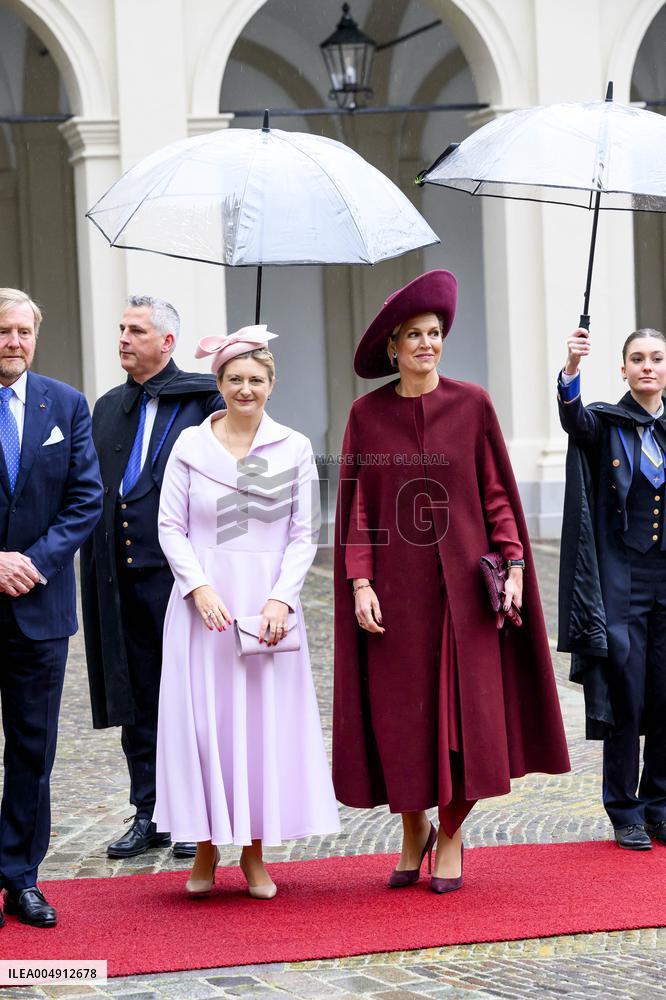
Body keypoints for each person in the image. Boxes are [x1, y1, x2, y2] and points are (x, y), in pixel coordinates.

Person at [333, 270, 570, 893]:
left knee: (472, 722)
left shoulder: (472, 404)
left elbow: (496, 493)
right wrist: (361, 583)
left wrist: (515, 563)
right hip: (396, 597)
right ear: (393, 346)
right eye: (413, 335)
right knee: (402, 720)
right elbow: (356, 508)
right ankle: (414, 829)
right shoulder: (366, 415)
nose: (426, 345)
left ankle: (454, 832)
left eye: (434, 334)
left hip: (467, 593)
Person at [153, 325, 339, 899]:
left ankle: (255, 853)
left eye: (256, 379)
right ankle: (205, 849)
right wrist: (198, 588)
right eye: (234, 379)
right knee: (205, 726)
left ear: (271, 384)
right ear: (219, 383)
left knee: (259, 729)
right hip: (201, 607)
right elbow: (170, 527)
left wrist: (281, 598)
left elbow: (304, 533)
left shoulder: (293, 447)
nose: (245, 388)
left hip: (266, 607)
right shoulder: (189, 446)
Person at [81, 295, 223, 861]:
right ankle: (149, 811)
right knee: (135, 693)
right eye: (120, 328)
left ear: (166, 342)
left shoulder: (202, 398)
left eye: (135, 330)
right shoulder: (108, 406)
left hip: (180, 577)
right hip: (117, 574)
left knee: (184, 695)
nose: (122, 338)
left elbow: (241, 457)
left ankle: (191, 814)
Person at [0, 288, 102, 928]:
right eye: (2, 330)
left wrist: (32, 562)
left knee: (32, 751)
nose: (13, 341)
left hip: (39, 607)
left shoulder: (64, 404)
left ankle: (20, 878)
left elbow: (86, 498)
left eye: (22, 331)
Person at [557, 325, 666, 851]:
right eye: (637, 359)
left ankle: (660, 805)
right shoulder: (606, 423)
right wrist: (572, 370)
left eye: (656, 358)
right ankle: (624, 810)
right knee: (626, 692)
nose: (647, 366)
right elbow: (572, 418)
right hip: (621, 580)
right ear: (623, 369)